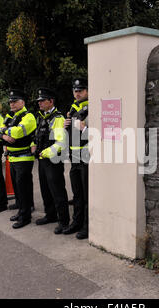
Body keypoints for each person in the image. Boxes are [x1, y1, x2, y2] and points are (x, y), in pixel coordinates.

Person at [32, 88, 70, 235]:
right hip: (42, 159)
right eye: (39, 101)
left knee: (57, 191)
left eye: (43, 100)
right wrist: (34, 147)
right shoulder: (41, 117)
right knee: (45, 189)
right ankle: (50, 215)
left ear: (51, 101)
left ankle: (64, 221)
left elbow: (61, 142)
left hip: (53, 160)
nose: (40, 103)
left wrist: (46, 152)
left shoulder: (58, 118)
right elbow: (37, 136)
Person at [0, 89, 37, 229]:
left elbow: (19, 133)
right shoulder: (10, 116)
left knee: (23, 188)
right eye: (10, 102)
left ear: (22, 102)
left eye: (15, 101)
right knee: (18, 189)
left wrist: (4, 132)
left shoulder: (28, 116)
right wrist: (4, 135)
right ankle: (21, 211)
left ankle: (25, 217)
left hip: (24, 157)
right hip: (13, 158)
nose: (12, 104)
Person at [63, 78, 89, 239]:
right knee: (77, 194)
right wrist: (66, 126)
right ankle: (76, 222)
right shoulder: (73, 108)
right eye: (75, 90)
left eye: (80, 90)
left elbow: (101, 133)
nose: (77, 93)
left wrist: (85, 127)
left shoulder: (92, 107)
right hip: (74, 157)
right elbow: (71, 135)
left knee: (86, 194)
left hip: (86, 157)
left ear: (87, 91)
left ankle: (87, 226)